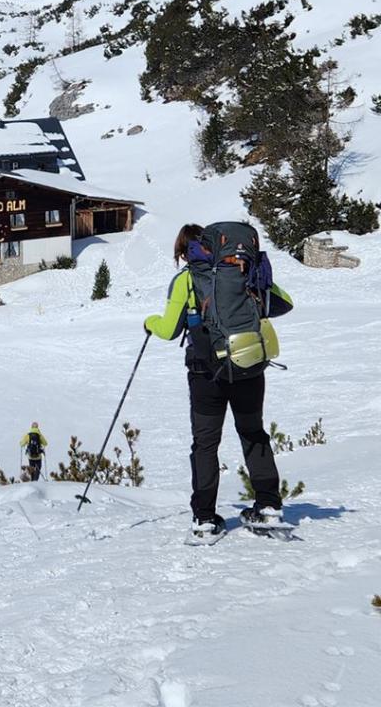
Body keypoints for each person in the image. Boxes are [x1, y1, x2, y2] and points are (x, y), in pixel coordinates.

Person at [144, 223, 294, 538]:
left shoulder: (186, 280)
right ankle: (268, 506)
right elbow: (284, 302)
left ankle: (205, 519)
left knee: (206, 444)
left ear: (185, 253)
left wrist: (150, 322)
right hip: (248, 367)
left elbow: (169, 330)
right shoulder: (242, 273)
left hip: (205, 374)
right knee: (253, 433)